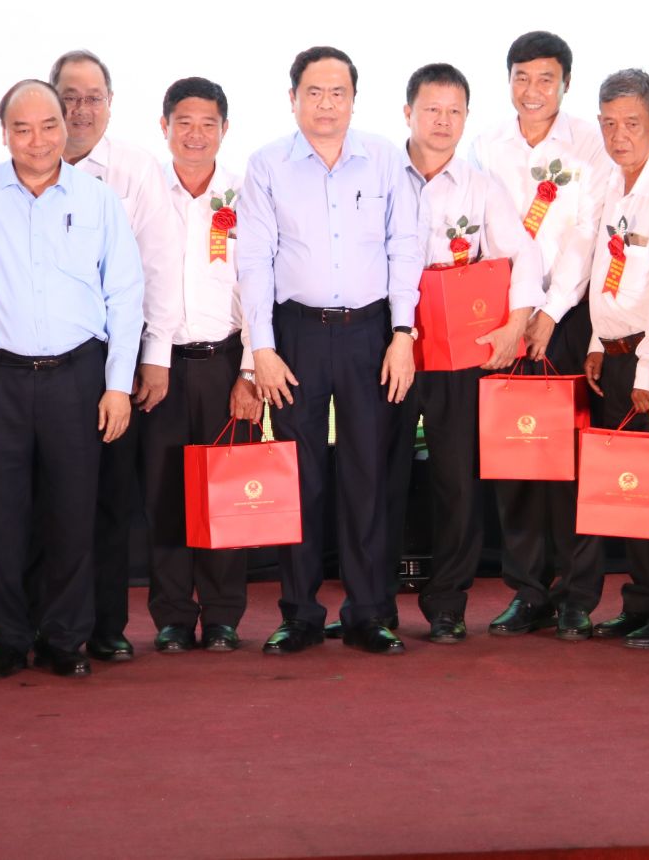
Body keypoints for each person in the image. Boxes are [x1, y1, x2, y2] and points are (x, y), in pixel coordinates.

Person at [0, 79, 144, 679]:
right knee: (1, 514)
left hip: (78, 374)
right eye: (22, 128)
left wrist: (117, 385)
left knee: (73, 511)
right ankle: (7, 638)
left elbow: (125, 292)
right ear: (4, 133)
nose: (37, 140)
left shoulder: (97, 199)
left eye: (48, 126)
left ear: (66, 126)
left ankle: (65, 637)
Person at [237, 46, 424, 656]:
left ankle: (369, 611)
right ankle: (300, 614)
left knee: (368, 473)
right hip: (297, 334)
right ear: (292, 98)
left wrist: (403, 334)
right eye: (313, 92)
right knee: (300, 474)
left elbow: (404, 246)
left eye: (337, 92)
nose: (326, 104)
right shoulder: (267, 165)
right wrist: (261, 348)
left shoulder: (384, 159)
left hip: (372, 333)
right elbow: (254, 260)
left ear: (354, 99)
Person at [390, 63, 541, 642]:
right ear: (408, 112)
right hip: (391, 347)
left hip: (458, 352)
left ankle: (447, 603)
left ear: (467, 117)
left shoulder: (482, 186)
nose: (443, 121)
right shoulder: (379, 176)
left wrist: (515, 324)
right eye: (432, 109)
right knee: (380, 475)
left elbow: (524, 256)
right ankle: (371, 602)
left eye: (454, 111)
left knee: (457, 481)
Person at [470, 30, 612, 639]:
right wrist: (514, 314)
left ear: (566, 84)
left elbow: (587, 234)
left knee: (574, 461)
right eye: (522, 78)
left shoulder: (589, 143)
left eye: (546, 79)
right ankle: (527, 591)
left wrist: (549, 311)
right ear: (508, 81)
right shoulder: (486, 146)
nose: (533, 91)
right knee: (518, 458)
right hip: (505, 321)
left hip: (569, 317)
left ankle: (577, 596)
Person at [50, 49, 183, 663]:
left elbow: (160, 264)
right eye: (69, 97)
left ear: (110, 103)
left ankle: (105, 625)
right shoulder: (26, 167)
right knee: (50, 498)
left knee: (109, 497)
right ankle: (49, 623)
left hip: (115, 357)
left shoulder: (134, 169)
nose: (81, 109)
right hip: (43, 361)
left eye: (93, 97)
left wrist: (153, 356)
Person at [578, 69, 649, 646]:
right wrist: (596, 345)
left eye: (631, 123)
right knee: (628, 488)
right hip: (614, 355)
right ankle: (643, 601)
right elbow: (603, 271)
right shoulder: (610, 181)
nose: (618, 136)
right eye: (608, 124)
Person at [141, 76, 257, 654]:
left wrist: (251, 373)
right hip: (157, 366)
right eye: (183, 123)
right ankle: (171, 616)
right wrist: (146, 359)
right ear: (164, 127)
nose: (195, 134)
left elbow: (260, 286)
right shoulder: (142, 193)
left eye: (208, 123)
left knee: (227, 491)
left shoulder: (245, 194)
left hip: (226, 362)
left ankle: (223, 616)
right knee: (164, 495)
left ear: (224, 129)